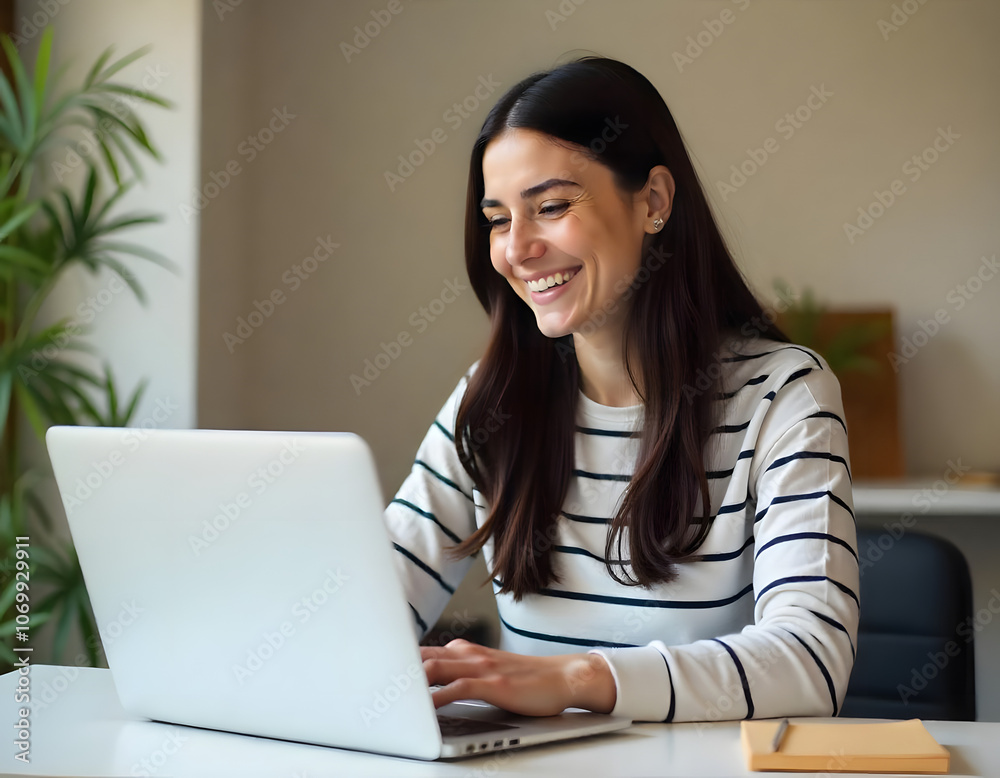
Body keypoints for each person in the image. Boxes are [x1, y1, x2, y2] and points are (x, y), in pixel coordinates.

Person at [383, 56, 858, 723]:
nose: (516, 250)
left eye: (550, 207)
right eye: (497, 219)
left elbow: (810, 662)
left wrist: (576, 680)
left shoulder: (783, 395)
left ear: (654, 202)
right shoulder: (491, 402)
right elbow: (366, 612)